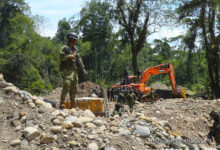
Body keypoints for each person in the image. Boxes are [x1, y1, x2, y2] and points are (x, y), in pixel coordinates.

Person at [59, 32, 87, 109]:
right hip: (67, 70)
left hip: (74, 70)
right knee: (67, 85)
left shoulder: (75, 49)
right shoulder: (64, 48)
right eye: (75, 39)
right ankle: (62, 103)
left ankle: (73, 105)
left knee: (74, 87)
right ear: (71, 40)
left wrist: (83, 69)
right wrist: (71, 56)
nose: (76, 41)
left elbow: (79, 60)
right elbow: (61, 58)